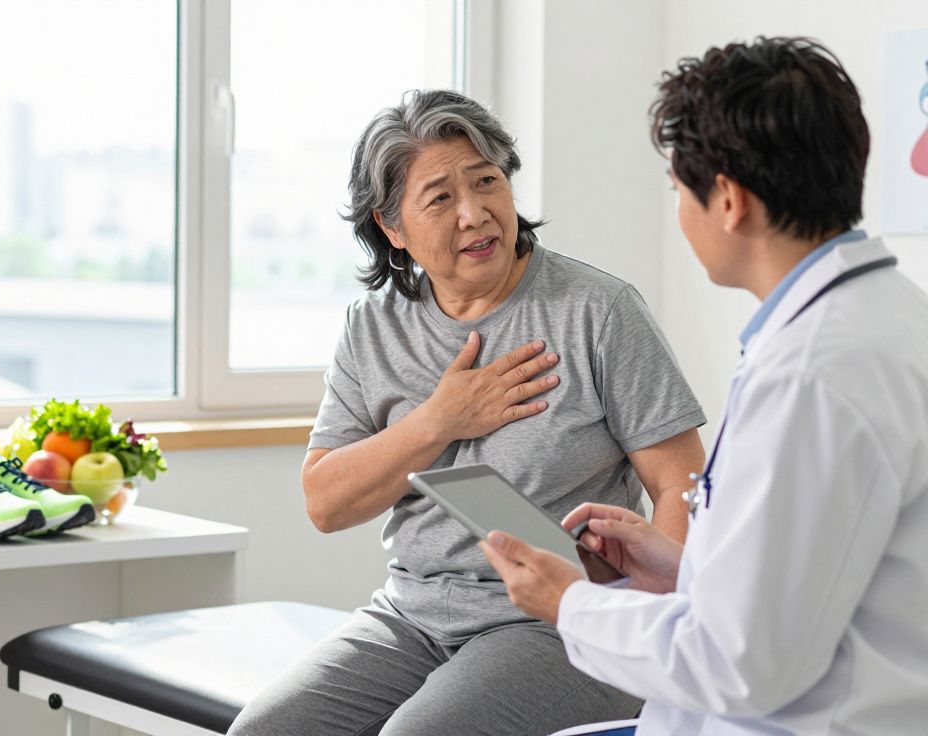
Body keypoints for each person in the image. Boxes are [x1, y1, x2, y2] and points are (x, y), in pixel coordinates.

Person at [481, 36, 928, 735]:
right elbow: (820, 571)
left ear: (727, 200)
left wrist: (569, 602)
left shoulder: (811, 374)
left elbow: (739, 661)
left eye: (677, 191)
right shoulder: (892, 314)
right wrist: (684, 569)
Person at [228, 89, 706, 736]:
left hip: (560, 620)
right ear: (392, 229)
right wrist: (439, 420)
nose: (475, 214)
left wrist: (641, 622)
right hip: (412, 615)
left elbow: (682, 484)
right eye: (440, 198)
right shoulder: (373, 328)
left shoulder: (598, 311)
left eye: (487, 182)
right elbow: (326, 503)